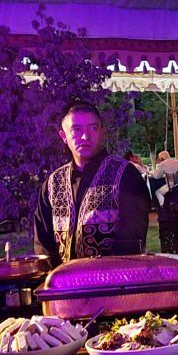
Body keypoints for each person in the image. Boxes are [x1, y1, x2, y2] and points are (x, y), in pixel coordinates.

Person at [34, 100, 150, 267]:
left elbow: (131, 242)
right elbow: (44, 246)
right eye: (76, 129)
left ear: (103, 132)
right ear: (63, 136)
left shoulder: (125, 175)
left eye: (93, 128)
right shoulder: (53, 184)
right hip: (63, 288)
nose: (85, 136)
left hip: (112, 286)